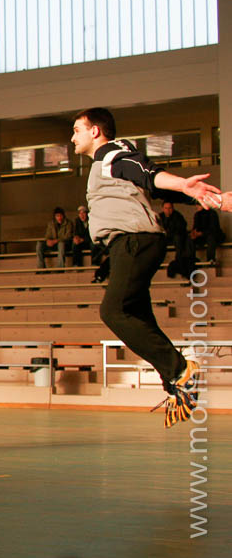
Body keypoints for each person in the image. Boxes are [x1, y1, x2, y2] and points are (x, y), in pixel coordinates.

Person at [71, 106, 229, 428]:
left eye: (77, 130)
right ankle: (175, 382)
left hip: (134, 242)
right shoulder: (110, 166)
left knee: (112, 312)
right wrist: (200, 195)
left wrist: (184, 184)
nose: (73, 137)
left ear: (95, 132)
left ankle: (180, 370)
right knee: (138, 317)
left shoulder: (111, 155)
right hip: (128, 246)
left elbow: (146, 172)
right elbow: (153, 185)